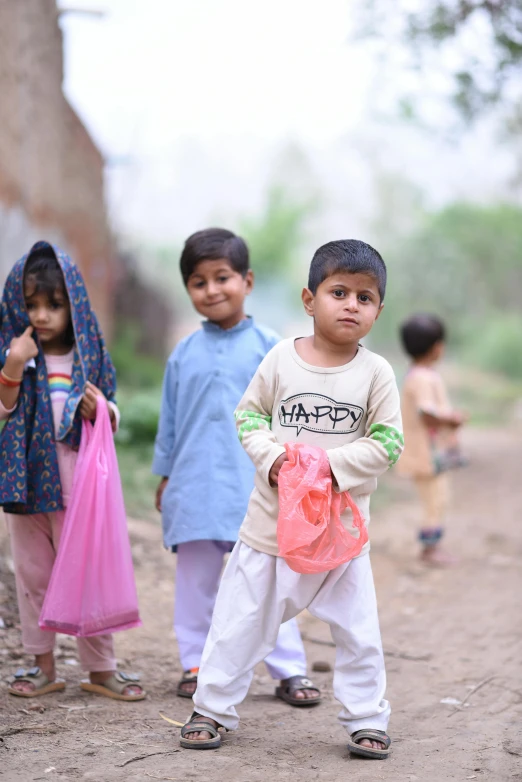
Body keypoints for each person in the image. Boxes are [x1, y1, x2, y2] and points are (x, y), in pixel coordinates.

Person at [179, 238, 404, 759]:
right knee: (238, 622)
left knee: (359, 633)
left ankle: (367, 719)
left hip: (340, 537)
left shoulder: (376, 373)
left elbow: (389, 443)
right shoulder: (281, 358)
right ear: (310, 299)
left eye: (365, 298)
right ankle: (211, 709)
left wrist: (329, 466)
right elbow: (249, 414)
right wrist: (272, 457)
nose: (351, 304)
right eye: (339, 291)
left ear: (378, 310)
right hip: (268, 529)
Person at [152, 228, 320, 706]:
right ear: (188, 290)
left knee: (270, 583)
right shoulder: (183, 353)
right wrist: (166, 476)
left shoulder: (273, 348)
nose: (211, 290)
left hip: (259, 486)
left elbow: (290, 413)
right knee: (195, 584)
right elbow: (170, 421)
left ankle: (288, 670)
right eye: (198, 282)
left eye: (222, 277)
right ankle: (195, 664)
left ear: (246, 281)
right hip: (195, 486)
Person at [0, 241, 145, 701]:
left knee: (87, 573)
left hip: (80, 489)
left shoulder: (90, 357)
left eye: (54, 305)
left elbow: (112, 413)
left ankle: (100, 668)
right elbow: (3, 413)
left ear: (74, 305)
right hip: (25, 487)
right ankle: (42, 665)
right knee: (33, 576)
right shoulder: (13, 355)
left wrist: (102, 406)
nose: (41, 316)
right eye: (31, 305)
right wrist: (14, 365)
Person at [398, 313, 467, 566]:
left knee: (439, 498)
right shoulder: (422, 378)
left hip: (430, 452)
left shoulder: (420, 374)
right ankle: (430, 549)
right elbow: (427, 414)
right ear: (437, 347)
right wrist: (452, 419)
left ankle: (433, 546)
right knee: (435, 501)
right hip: (425, 454)